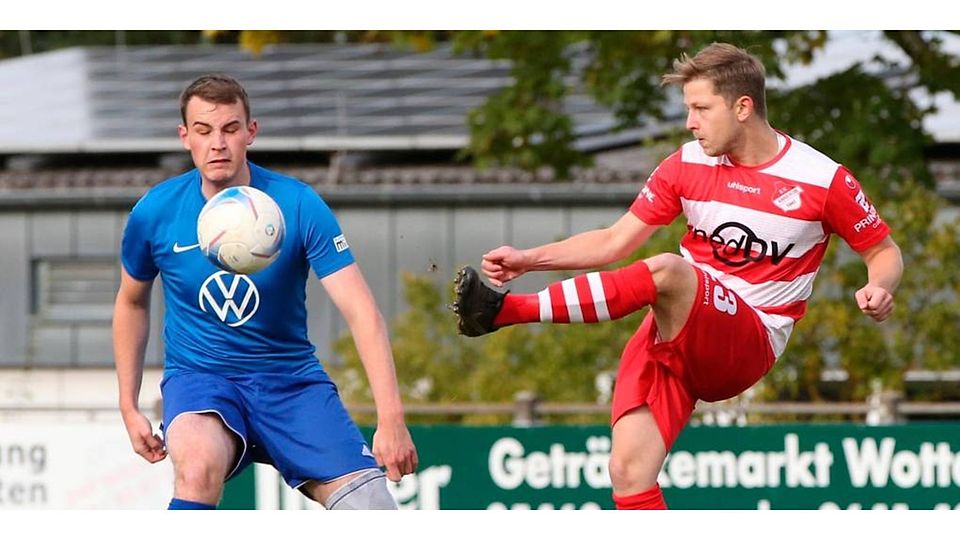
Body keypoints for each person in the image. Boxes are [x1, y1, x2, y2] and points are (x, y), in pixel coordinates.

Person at [453, 43, 902, 510]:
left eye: (701, 108)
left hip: (747, 340)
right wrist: (528, 259)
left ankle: (506, 311)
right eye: (688, 108)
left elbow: (884, 252)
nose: (690, 121)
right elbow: (614, 241)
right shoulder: (686, 164)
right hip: (673, 332)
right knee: (628, 473)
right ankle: (505, 310)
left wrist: (879, 286)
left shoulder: (822, 179)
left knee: (668, 270)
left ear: (743, 107)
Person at [114, 74, 417, 510]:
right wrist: (128, 404)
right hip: (202, 381)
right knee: (196, 469)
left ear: (250, 132)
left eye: (230, 129)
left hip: (291, 384)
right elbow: (130, 301)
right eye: (203, 131)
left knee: (372, 506)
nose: (217, 143)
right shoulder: (154, 212)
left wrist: (391, 421)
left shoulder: (298, 204)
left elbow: (362, 312)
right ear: (185, 137)